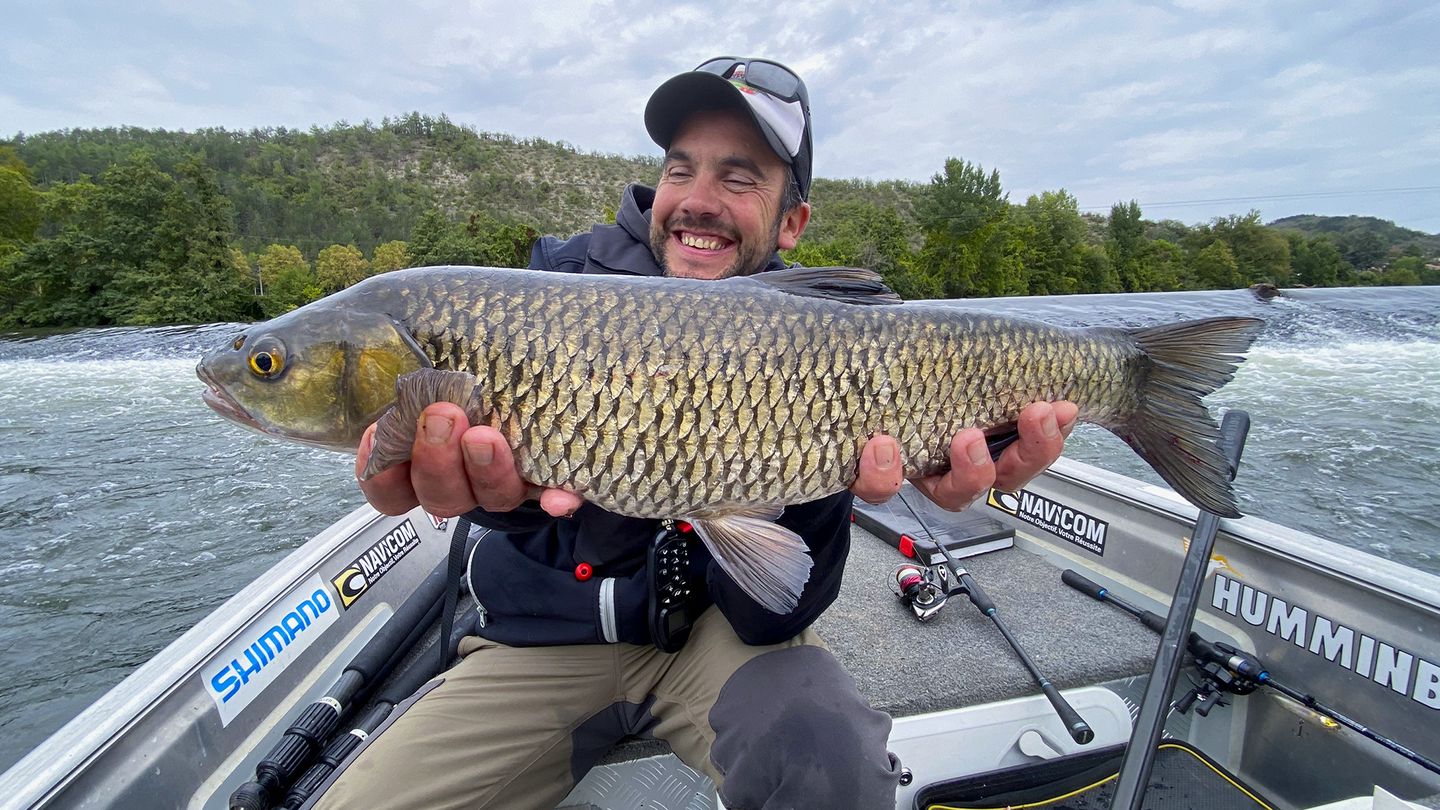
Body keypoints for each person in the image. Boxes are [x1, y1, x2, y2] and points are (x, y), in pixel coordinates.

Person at [311, 56, 1077, 810]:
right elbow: (519, 514)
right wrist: (498, 501)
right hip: (539, 638)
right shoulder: (553, 292)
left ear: (793, 222)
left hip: (722, 637)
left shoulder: (829, 334)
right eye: (680, 171)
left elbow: (776, 605)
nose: (697, 200)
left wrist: (873, 468)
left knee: (833, 768)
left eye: (738, 178)